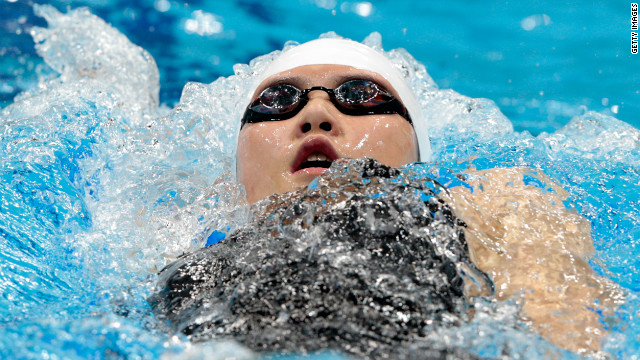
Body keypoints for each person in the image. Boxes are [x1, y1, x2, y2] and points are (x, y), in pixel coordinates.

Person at [231, 37, 622, 354]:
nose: (316, 113)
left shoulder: (492, 205)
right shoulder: (185, 242)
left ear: (417, 148)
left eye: (360, 94)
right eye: (276, 100)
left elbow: (566, 336)